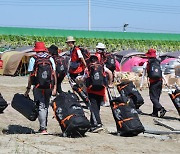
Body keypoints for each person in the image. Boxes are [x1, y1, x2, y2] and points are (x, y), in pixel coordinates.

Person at [25, 42, 57, 134]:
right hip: (49, 86)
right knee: (45, 105)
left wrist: (28, 88)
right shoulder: (50, 58)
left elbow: (31, 75)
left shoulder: (33, 59)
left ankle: (43, 128)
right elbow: (54, 73)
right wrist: (54, 87)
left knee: (41, 106)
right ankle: (43, 126)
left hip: (38, 86)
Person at [86, 55, 113, 133]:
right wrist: (110, 83)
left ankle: (97, 124)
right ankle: (92, 124)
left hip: (91, 90)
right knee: (97, 107)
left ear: (90, 61)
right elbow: (110, 73)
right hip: (101, 90)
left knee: (93, 109)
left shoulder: (88, 67)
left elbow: (85, 78)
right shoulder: (102, 66)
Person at [140, 48, 167, 118]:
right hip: (160, 81)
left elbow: (143, 75)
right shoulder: (158, 62)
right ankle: (154, 113)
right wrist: (166, 81)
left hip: (153, 82)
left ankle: (161, 109)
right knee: (157, 97)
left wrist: (141, 85)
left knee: (152, 98)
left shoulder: (147, 63)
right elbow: (162, 73)